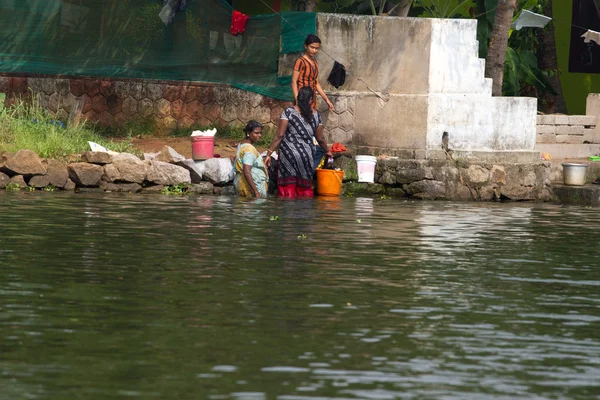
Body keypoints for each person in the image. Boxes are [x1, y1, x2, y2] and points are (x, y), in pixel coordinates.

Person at [265, 86, 332, 198]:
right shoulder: (316, 115)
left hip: (288, 154)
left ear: (298, 97)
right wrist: (327, 151)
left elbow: (280, 135)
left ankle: (288, 211)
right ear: (311, 100)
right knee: (304, 187)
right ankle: (303, 212)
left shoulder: (289, 112)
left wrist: (269, 152)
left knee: (288, 186)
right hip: (306, 155)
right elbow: (320, 138)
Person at [292, 34, 334, 112]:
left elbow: (316, 83)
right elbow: (294, 82)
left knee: (312, 122)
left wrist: (326, 99)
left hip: (312, 99)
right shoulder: (300, 62)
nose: (314, 50)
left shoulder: (315, 63)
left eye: (317, 48)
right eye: (312, 47)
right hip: (302, 99)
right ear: (306, 46)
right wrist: (298, 101)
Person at [233, 120, 268, 198]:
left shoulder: (242, 144)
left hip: (242, 183)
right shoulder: (249, 149)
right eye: (256, 133)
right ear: (248, 133)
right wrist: (256, 192)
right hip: (251, 187)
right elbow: (247, 171)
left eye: (260, 133)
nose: (259, 135)